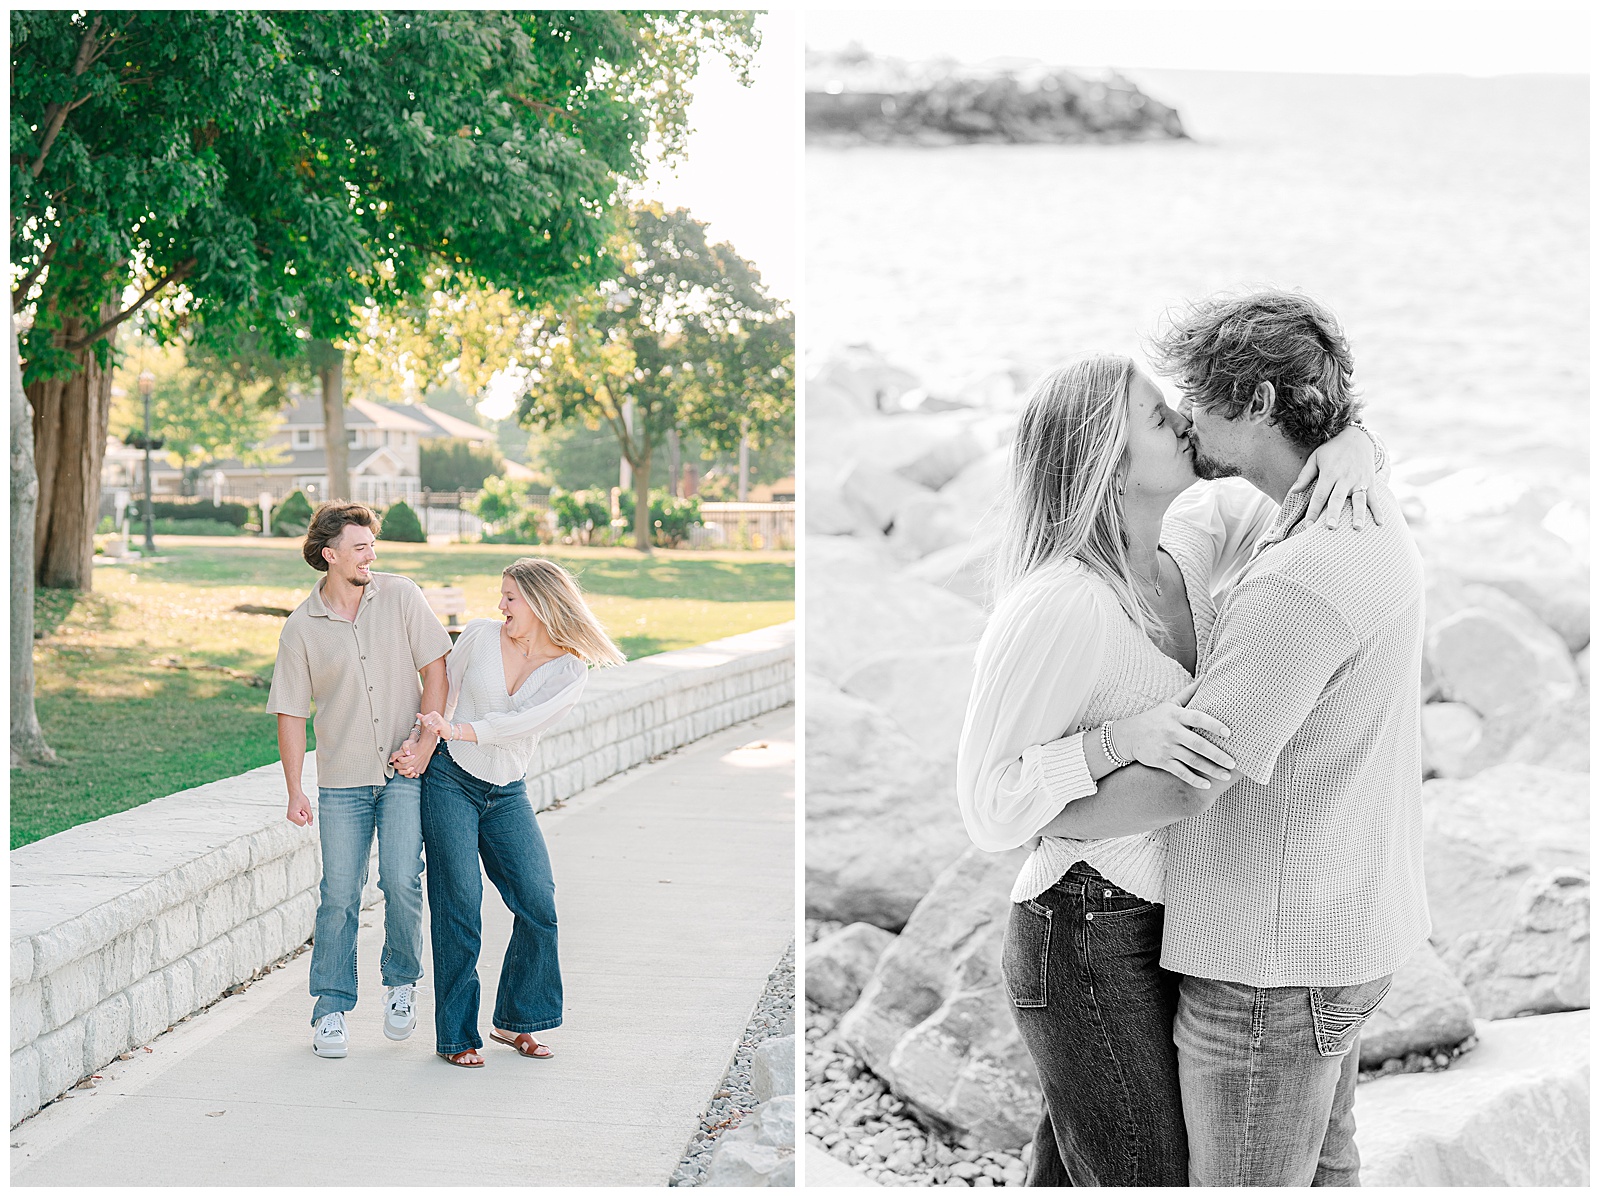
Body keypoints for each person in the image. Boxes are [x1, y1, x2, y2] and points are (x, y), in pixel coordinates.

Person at [957, 327, 1386, 1184]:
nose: (1187, 421)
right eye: (1160, 417)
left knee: (1101, 1164)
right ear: (1111, 460)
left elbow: (1284, 478)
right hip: (1082, 929)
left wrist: (1357, 443)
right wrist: (1116, 741)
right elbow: (986, 806)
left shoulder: (1184, 549)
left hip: (1166, 921)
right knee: (1146, 1173)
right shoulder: (1061, 606)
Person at [406, 557, 625, 1068]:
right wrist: (420, 744)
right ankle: (457, 1035)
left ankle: (516, 1020)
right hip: (450, 779)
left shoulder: (569, 670)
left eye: (510, 597)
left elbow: (522, 723)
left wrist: (457, 729)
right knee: (459, 905)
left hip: (505, 791)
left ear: (541, 602)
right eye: (502, 595)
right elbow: (440, 691)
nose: (500, 606)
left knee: (538, 903)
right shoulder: (481, 636)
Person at [266, 501, 453, 1059]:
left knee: (400, 879)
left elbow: (437, 669)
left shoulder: (400, 595)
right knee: (339, 895)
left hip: (402, 770)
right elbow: (290, 713)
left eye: (373, 545)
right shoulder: (301, 628)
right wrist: (295, 788)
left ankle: (400, 984)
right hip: (342, 779)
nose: (371, 554)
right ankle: (330, 1008)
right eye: (360, 547)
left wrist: (424, 745)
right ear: (330, 555)